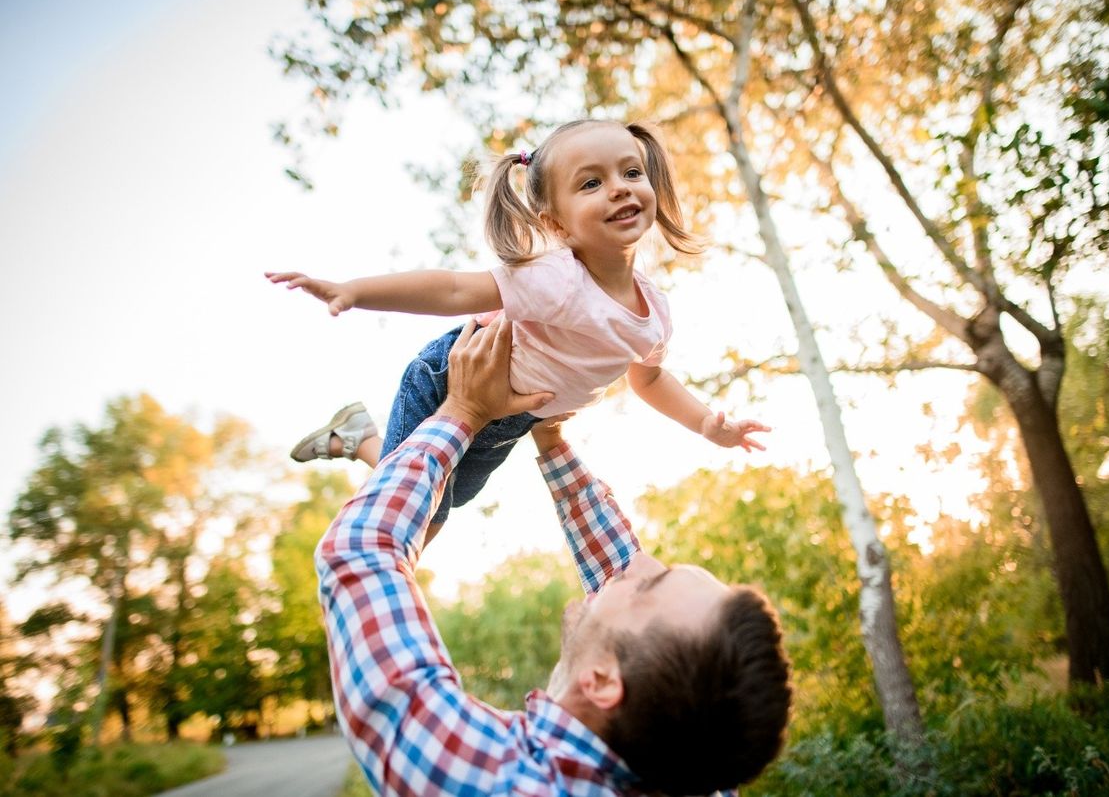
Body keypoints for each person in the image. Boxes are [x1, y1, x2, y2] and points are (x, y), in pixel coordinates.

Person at [317, 317, 792, 796]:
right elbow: (619, 578)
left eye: (650, 585)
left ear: (602, 681)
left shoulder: (500, 782)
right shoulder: (700, 760)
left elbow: (360, 551)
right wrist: (552, 439)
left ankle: (360, 439)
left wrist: (463, 410)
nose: (642, 563)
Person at [268, 119, 768, 542]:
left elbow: (651, 379)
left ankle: (357, 436)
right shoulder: (558, 278)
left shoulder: (653, 312)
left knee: (452, 497)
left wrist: (706, 424)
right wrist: (354, 292)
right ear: (558, 225)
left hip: (511, 421)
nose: (619, 187)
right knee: (423, 514)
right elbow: (454, 291)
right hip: (451, 381)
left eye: (631, 172)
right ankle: (370, 529)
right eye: (591, 183)